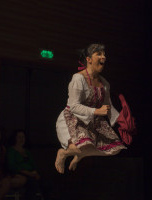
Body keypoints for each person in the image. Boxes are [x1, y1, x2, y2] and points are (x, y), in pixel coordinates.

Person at [55, 43, 127, 174]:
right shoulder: (78, 78)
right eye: (99, 54)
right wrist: (96, 111)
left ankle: (82, 155)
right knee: (79, 148)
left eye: (104, 54)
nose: (103, 57)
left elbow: (107, 105)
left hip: (93, 121)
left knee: (115, 149)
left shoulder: (104, 83)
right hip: (72, 118)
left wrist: (121, 121)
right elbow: (74, 106)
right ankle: (63, 153)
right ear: (88, 59)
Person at [0, 127, 25, 200]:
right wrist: (2, 174)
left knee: (21, 179)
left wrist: (8, 174)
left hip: (2, 172)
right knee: (6, 182)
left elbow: (5, 164)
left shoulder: (3, 148)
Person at [7, 129, 42, 200]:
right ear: (15, 138)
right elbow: (12, 166)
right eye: (19, 137)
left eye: (23, 137)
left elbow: (33, 164)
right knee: (32, 184)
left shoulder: (26, 151)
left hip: (31, 174)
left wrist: (35, 172)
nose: (21, 139)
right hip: (20, 174)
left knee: (46, 184)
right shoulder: (11, 151)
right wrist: (28, 173)